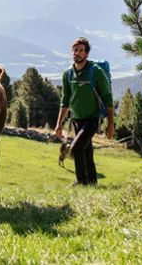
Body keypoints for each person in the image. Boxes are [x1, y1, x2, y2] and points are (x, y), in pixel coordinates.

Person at [54, 37, 115, 186]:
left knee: (75, 148)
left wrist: (111, 124)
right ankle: (92, 183)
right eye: (75, 50)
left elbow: (108, 98)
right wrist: (59, 124)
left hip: (92, 119)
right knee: (87, 152)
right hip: (76, 119)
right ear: (72, 52)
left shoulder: (96, 72)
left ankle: (81, 182)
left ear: (86, 54)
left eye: (81, 50)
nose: (78, 53)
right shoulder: (68, 74)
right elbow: (65, 100)